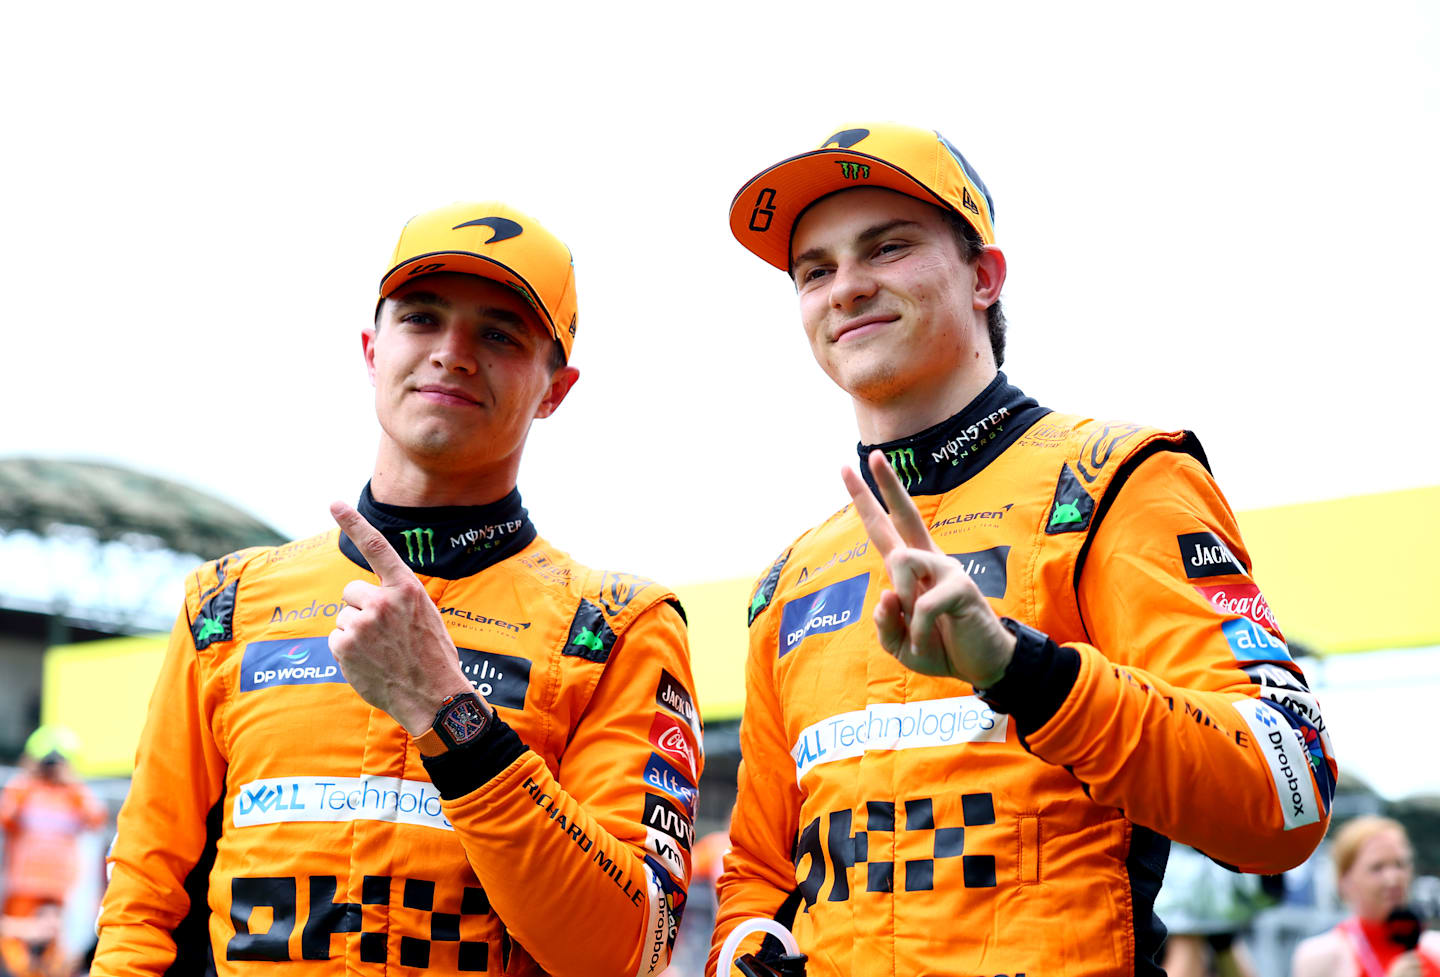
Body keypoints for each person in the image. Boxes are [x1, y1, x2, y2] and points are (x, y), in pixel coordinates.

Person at [707, 123, 1337, 977]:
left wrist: (1024, 672)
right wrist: (747, 948)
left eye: (886, 248)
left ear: (984, 277)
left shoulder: (1118, 479)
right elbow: (758, 873)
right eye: (815, 269)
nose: (846, 287)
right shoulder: (791, 578)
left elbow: (1284, 794)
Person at [93, 202, 702, 977]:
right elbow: (143, 908)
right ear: (371, 348)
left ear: (557, 390)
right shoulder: (226, 603)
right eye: (422, 317)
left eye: (500, 333)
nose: (452, 353)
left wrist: (446, 711)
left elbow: (624, 953)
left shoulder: (616, 625)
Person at [0, 726, 106, 977]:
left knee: (57, 952)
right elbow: (5, 816)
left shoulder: (74, 794)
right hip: (23, 884)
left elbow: (96, 818)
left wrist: (72, 783)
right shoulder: (23, 788)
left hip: (61, 887)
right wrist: (29, 779)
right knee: (13, 944)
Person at [1292, 816, 1440, 977]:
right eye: (1377, 868)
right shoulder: (1320, 956)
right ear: (1344, 880)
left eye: (1400, 864)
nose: (1393, 879)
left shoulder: (1434, 946)